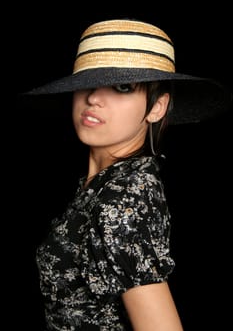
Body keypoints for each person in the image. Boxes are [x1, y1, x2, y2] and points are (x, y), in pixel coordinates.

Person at [24, 18, 232, 331]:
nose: (93, 98)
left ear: (157, 107)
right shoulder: (106, 184)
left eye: (122, 86)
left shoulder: (122, 199)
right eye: (86, 84)